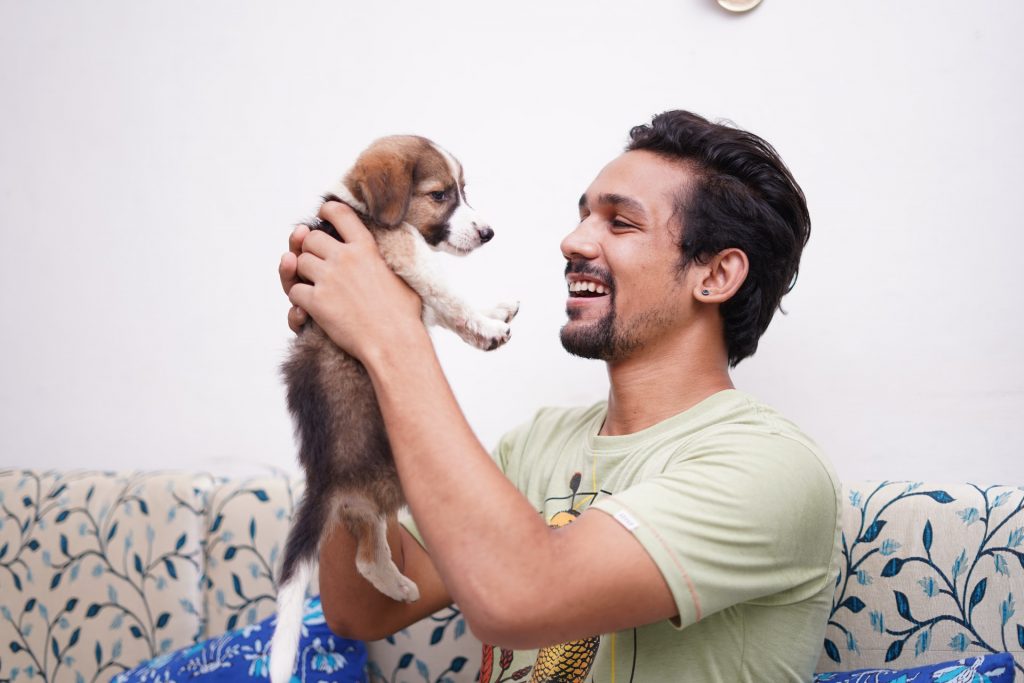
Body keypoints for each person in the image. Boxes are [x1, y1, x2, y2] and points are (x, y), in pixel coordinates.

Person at [278, 110, 842, 683]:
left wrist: (390, 335)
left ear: (716, 275)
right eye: (582, 216)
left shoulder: (771, 468)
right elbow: (361, 608)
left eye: (620, 223)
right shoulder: (538, 444)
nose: (572, 241)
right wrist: (347, 354)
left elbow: (519, 598)